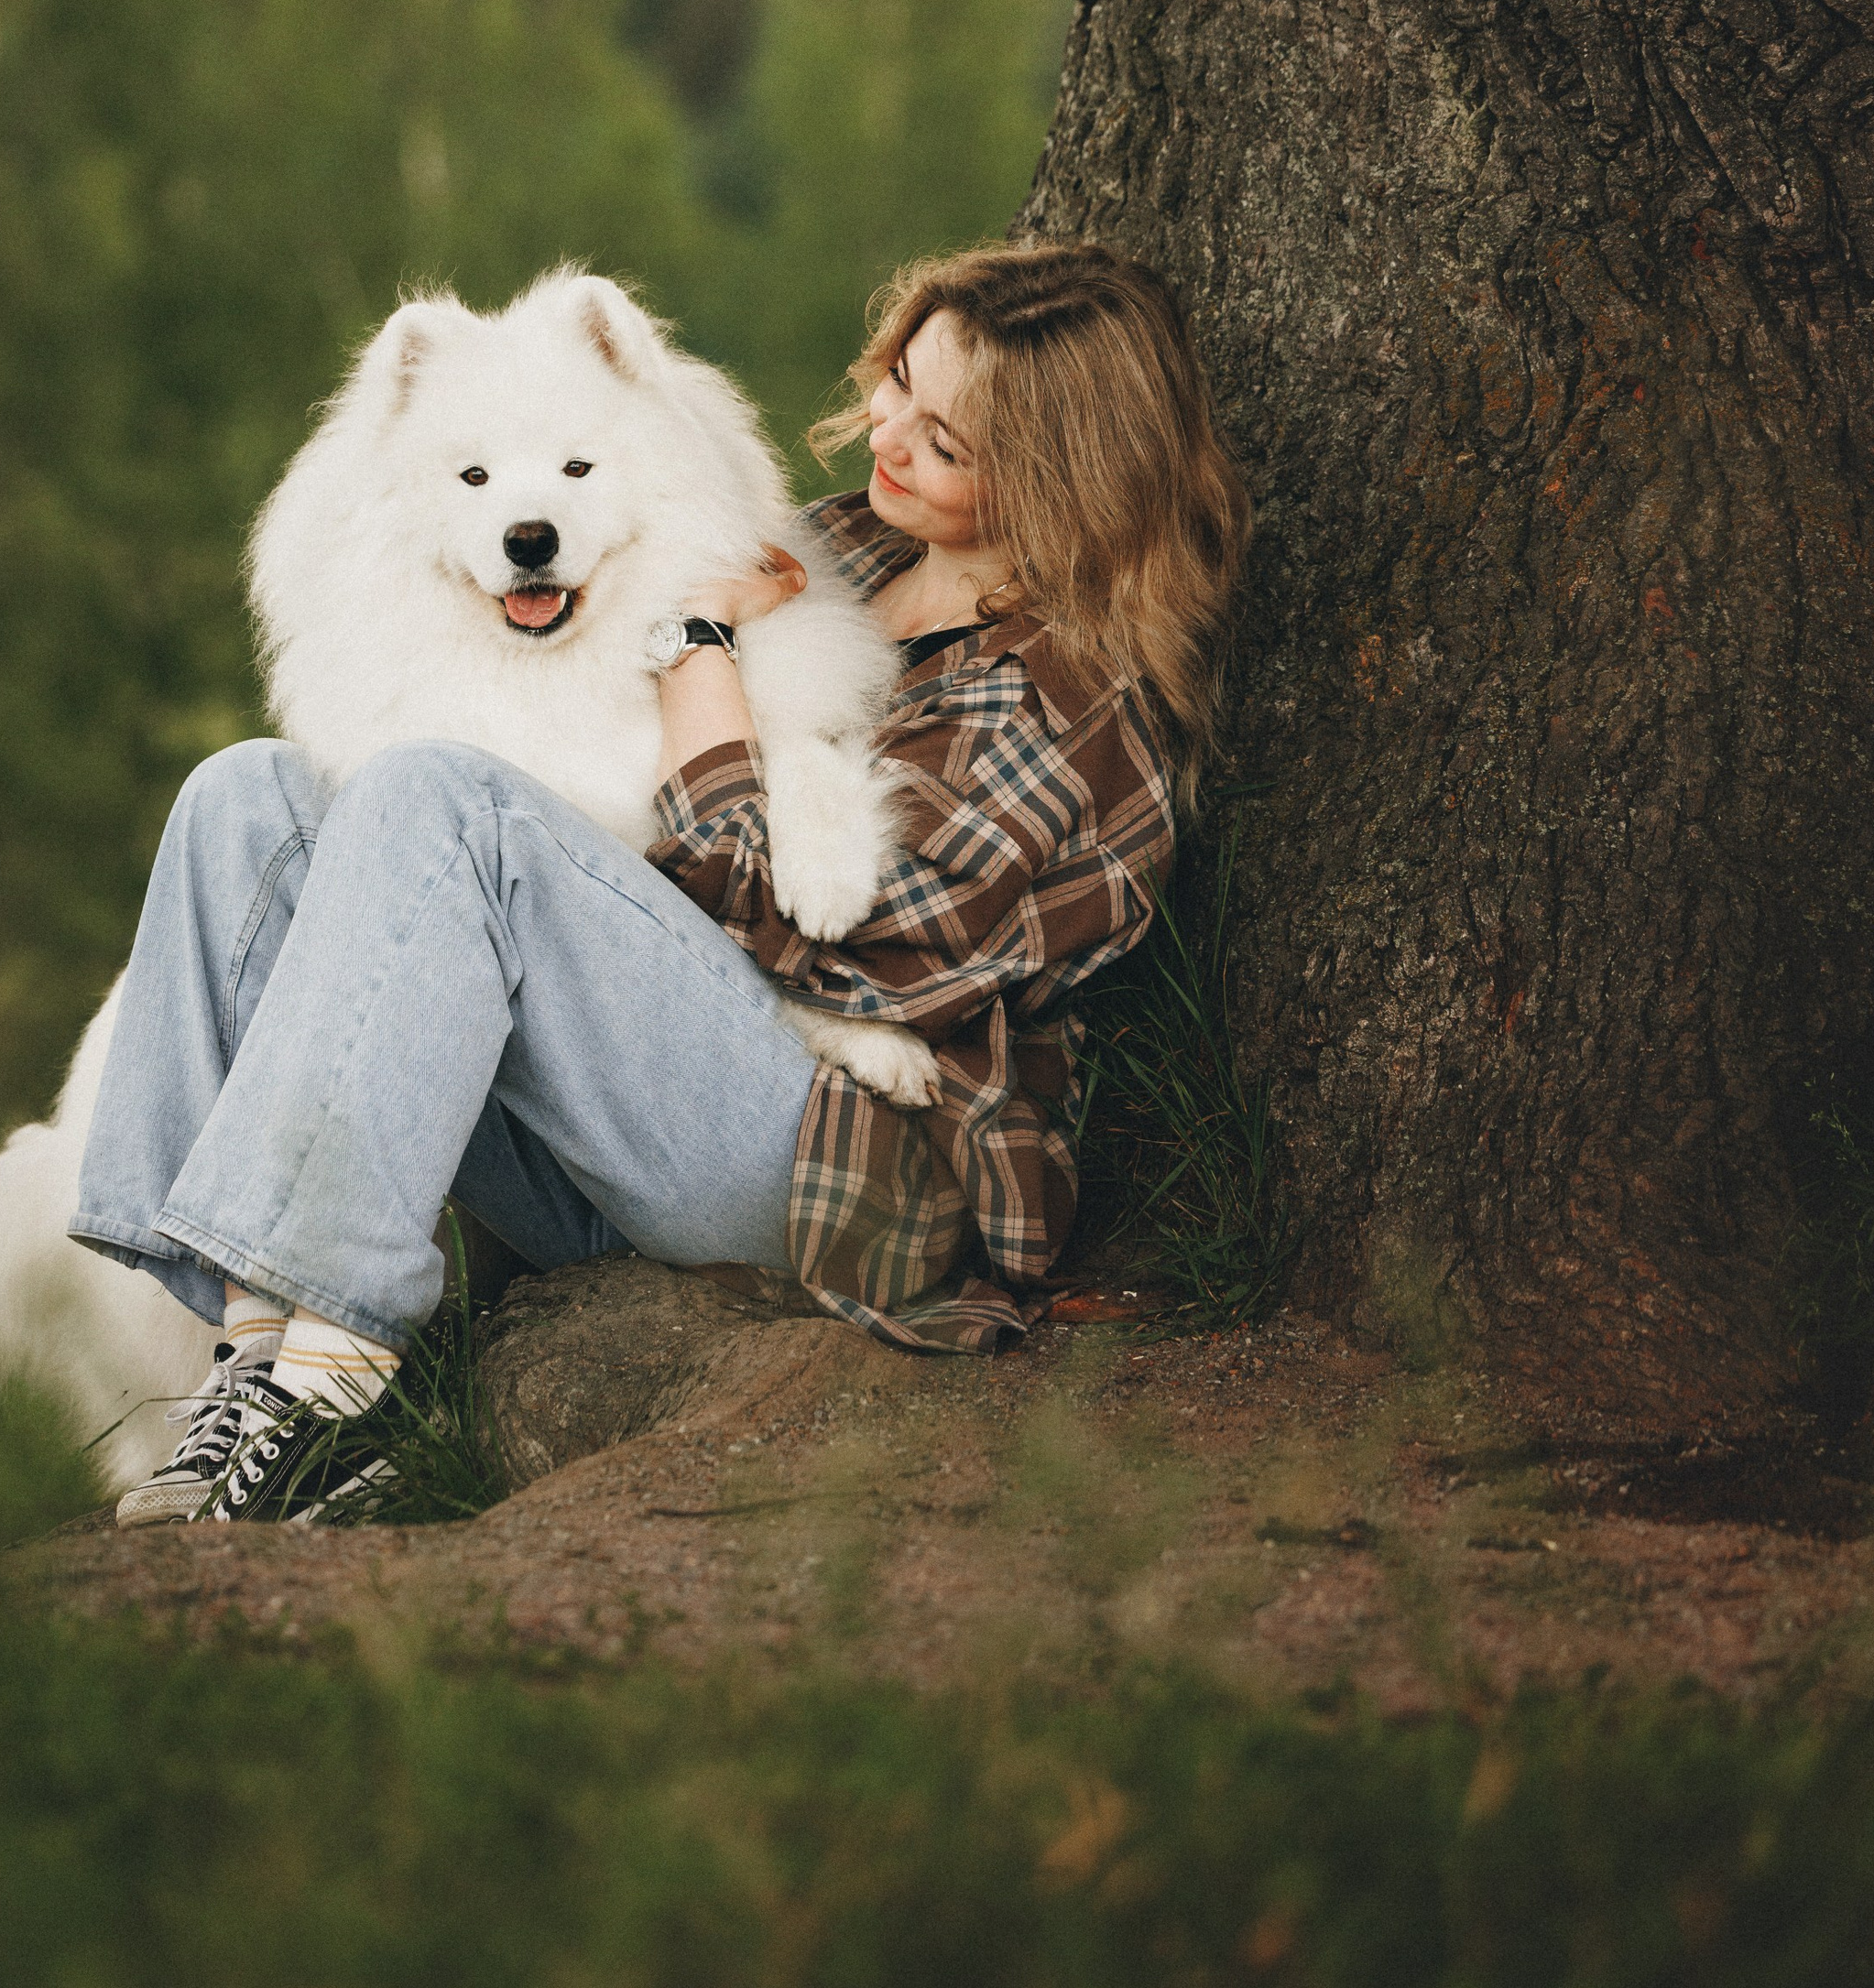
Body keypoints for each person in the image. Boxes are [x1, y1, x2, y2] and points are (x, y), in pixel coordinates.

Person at [73, 241, 1250, 1524]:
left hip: (840, 1170)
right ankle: (252, 1351)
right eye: (902, 382)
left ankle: (330, 1389)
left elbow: (843, 949)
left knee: (441, 799)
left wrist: (695, 642)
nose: (887, 434)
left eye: (946, 440)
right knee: (246, 796)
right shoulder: (856, 545)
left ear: (1062, 478)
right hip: (648, 1120)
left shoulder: (1065, 702)